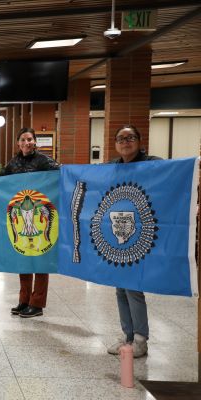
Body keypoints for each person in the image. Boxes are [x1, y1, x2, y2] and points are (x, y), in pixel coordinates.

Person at [107, 124, 161, 358]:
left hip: (143, 234)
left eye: (130, 137)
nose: (125, 141)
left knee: (134, 288)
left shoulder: (153, 164)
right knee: (120, 287)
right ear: (115, 143)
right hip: (117, 231)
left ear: (139, 141)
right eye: (121, 138)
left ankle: (140, 338)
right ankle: (127, 335)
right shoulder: (112, 168)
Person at [0, 127, 60, 318]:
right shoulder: (14, 162)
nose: (27, 143)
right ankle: (24, 300)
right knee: (23, 257)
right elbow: (1, 179)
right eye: (23, 140)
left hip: (40, 215)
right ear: (18, 143)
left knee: (40, 258)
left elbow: (60, 173)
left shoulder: (43, 161)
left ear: (35, 142)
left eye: (30, 139)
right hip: (22, 216)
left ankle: (38, 303)